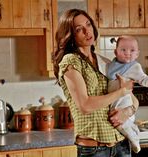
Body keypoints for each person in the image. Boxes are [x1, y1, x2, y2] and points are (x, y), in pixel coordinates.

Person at [52, 9, 139, 157]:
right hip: (94, 149)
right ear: (70, 36)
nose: (87, 31)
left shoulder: (104, 62)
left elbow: (133, 99)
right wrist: (120, 92)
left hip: (121, 146)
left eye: (88, 24)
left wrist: (126, 112)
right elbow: (85, 105)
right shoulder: (71, 61)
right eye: (79, 29)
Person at [107, 35, 148, 153]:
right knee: (117, 120)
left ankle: (134, 139)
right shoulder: (111, 65)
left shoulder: (134, 66)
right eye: (123, 50)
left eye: (132, 50)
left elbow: (142, 77)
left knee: (120, 123)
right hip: (113, 98)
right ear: (115, 52)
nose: (127, 53)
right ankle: (133, 131)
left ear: (137, 54)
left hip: (124, 100)